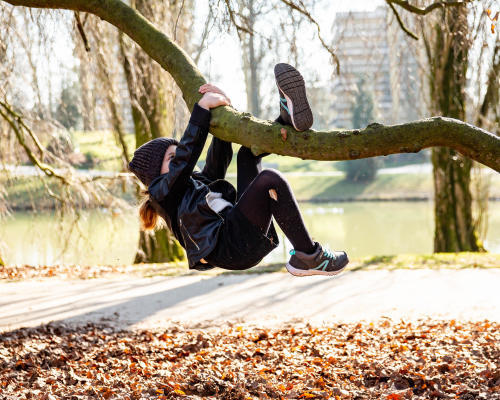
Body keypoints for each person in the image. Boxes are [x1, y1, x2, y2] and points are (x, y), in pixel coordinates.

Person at [128, 63, 349, 276]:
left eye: (177, 154)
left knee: (246, 154)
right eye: (171, 158)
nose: (179, 160)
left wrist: (224, 108)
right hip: (229, 245)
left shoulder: (194, 187)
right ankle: (309, 256)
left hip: (237, 233)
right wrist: (202, 109)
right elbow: (186, 156)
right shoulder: (161, 193)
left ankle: (285, 120)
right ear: (155, 174)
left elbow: (219, 157)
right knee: (269, 179)